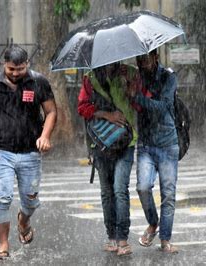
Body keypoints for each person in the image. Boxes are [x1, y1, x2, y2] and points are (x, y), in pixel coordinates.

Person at [0, 45, 57, 259]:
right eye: (11, 69)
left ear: (27, 64)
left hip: (30, 152)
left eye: (20, 68)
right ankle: (3, 244)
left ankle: (23, 220)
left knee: (31, 200)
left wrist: (45, 136)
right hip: (2, 150)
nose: (15, 73)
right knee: (1, 197)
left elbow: (52, 111)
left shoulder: (38, 82)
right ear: (3, 65)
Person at [77, 62, 139, 256]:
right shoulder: (90, 78)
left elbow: (139, 103)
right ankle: (111, 236)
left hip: (126, 140)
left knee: (120, 189)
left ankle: (123, 238)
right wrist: (106, 115)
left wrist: (131, 88)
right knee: (106, 192)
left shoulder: (130, 73)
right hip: (101, 143)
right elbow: (82, 108)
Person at [127, 49, 180, 253]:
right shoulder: (136, 78)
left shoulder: (168, 76)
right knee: (142, 187)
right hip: (146, 143)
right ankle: (153, 222)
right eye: (138, 59)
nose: (141, 62)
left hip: (167, 143)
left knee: (168, 194)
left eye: (145, 58)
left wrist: (137, 97)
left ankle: (165, 239)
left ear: (155, 57)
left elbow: (163, 106)